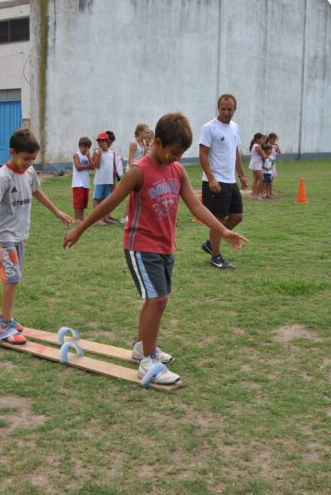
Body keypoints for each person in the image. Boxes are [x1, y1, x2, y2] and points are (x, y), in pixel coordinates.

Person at [64, 113, 248, 385]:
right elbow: (110, 203)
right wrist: (79, 228)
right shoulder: (139, 171)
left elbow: (196, 207)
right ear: (158, 143)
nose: (176, 158)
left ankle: (141, 347)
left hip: (165, 246)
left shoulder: (178, 171)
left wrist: (223, 230)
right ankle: (148, 359)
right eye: (173, 152)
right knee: (158, 299)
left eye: (181, 154)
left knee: (158, 300)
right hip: (140, 246)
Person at [0, 128, 73, 344]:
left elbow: (36, 191)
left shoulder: (29, 172)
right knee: (12, 277)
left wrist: (57, 212)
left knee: (15, 278)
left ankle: (5, 318)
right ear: (12, 152)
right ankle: (5, 326)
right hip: (5, 236)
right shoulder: (3, 177)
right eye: (25, 159)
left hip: (19, 235)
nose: (29, 163)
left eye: (33, 159)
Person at [199, 94, 249, 269]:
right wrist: (211, 178)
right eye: (223, 109)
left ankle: (212, 243)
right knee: (218, 220)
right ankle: (216, 256)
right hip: (215, 181)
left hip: (230, 180)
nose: (226, 112)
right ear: (218, 108)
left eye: (230, 109)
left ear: (235, 109)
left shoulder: (234, 127)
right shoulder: (209, 128)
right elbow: (203, 154)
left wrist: (241, 175)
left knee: (237, 216)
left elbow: (234, 152)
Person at [91, 132, 117, 225]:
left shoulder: (112, 152)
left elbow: (113, 167)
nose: (101, 144)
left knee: (106, 200)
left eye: (103, 141)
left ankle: (105, 218)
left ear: (107, 141)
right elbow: (96, 165)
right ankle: (96, 219)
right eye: (99, 142)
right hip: (100, 180)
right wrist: (99, 155)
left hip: (108, 181)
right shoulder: (97, 152)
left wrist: (114, 181)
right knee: (97, 198)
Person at [71, 136, 94, 223]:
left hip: (85, 183)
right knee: (78, 202)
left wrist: (89, 158)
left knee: (84, 202)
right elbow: (78, 167)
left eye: (87, 147)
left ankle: (81, 218)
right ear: (80, 146)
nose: (85, 149)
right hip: (78, 183)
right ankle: (77, 218)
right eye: (83, 146)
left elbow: (93, 167)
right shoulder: (76, 155)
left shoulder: (87, 156)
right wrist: (88, 166)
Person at [248, 132, 266, 200]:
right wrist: (265, 155)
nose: (262, 141)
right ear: (257, 139)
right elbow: (263, 156)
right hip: (256, 165)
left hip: (255, 164)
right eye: (261, 139)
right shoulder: (257, 146)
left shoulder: (255, 145)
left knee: (256, 179)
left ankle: (254, 195)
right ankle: (257, 195)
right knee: (261, 179)